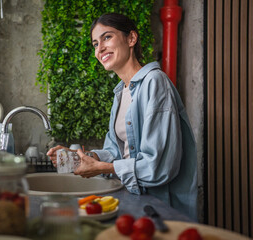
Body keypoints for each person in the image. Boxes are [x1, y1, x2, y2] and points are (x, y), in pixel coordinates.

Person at [47, 13, 198, 221]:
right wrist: (84, 158)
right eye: (94, 43)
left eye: (107, 37)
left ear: (131, 39)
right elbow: (115, 152)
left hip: (160, 208)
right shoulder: (121, 93)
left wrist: (104, 168)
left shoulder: (155, 83)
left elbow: (160, 167)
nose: (99, 49)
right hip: (135, 198)